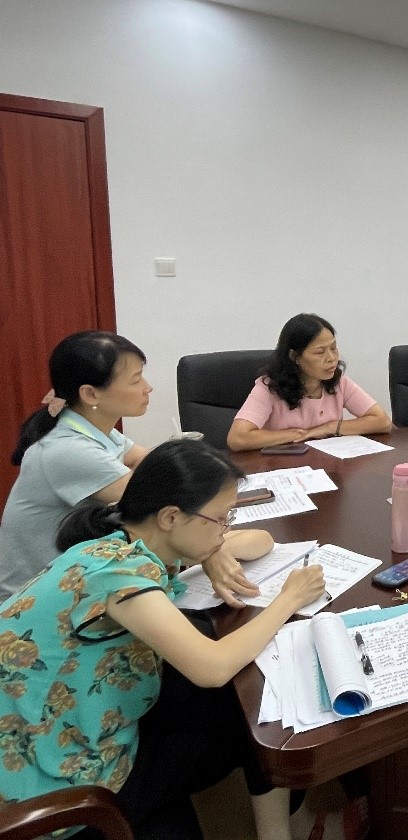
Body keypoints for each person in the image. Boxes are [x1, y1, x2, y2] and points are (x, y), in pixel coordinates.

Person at [0, 439, 327, 840]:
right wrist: (289, 598)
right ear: (171, 517)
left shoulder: (124, 540)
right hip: (52, 777)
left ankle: (279, 829)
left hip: (70, 721)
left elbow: (262, 541)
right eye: (220, 518)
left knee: (243, 699)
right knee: (245, 701)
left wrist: (212, 550)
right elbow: (212, 668)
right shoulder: (115, 573)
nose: (226, 528)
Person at [1, 332, 152, 602]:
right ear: (90, 394)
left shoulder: (89, 427)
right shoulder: (69, 450)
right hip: (32, 602)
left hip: (72, 580)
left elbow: (147, 461)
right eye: (135, 379)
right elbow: (157, 501)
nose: (147, 387)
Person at [227, 313, 390, 452]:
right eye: (320, 352)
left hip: (328, 467)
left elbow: (382, 421)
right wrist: (295, 434)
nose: (331, 358)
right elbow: (237, 438)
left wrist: (330, 427)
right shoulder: (269, 388)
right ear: (295, 356)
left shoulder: (339, 382)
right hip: (282, 467)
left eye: (333, 348)